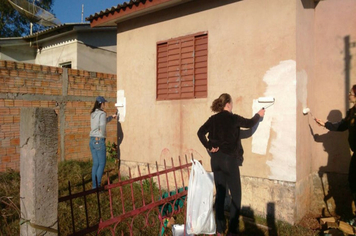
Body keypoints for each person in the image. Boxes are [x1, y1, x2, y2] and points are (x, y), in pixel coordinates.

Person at [197, 93, 265, 236]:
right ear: (228, 104)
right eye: (232, 103)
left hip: (215, 160)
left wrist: (209, 146)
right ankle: (232, 231)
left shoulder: (213, 119)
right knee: (236, 196)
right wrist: (259, 114)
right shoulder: (233, 118)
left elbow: (200, 132)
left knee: (221, 194)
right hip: (229, 160)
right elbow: (249, 123)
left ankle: (220, 230)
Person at [315, 85, 356, 223]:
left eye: (351, 92)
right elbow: (341, 125)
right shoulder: (352, 112)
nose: (349, 94)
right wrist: (325, 124)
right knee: (352, 182)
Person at [89, 96, 116, 189]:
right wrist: (102, 136)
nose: (105, 105)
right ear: (101, 103)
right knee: (101, 164)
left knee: (96, 164)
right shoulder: (102, 113)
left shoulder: (93, 113)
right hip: (99, 140)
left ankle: (94, 186)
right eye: (104, 103)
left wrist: (111, 117)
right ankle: (98, 186)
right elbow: (102, 126)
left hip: (92, 140)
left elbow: (101, 122)